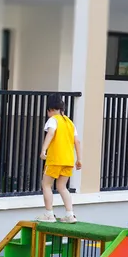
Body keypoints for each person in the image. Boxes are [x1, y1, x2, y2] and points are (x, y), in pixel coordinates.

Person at [38, 93, 82, 223]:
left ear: (50, 109)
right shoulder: (69, 122)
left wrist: (43, 149)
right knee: (62, 187)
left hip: (55, 159)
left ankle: (49, 214)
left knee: (46, 185)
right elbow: (77, 141)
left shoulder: (53, 120)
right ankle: (70, 214)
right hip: (68, 160)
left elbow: (51, 133)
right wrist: (79, 159)